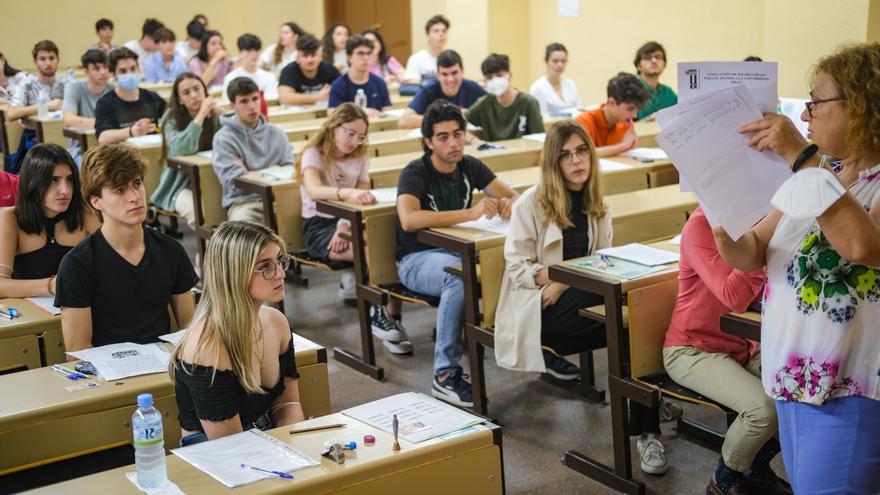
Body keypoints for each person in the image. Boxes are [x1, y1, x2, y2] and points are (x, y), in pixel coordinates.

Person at [713, 42, 880, 494]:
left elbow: (863, 246)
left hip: (850, 387)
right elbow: (754, 251)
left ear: (861, 105)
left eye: (815, 102)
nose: (804, 117)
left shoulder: (852, 178)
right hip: (793, 379)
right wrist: (723, 228)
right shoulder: (821, 172)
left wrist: (802, 157)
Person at [396, 101, 519, 407]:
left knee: (517, 262)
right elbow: (408, 219)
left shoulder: (470, 165)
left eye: (458, 134)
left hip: (458, 252)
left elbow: (514, 195)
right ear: (428, 142)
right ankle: (444, 374)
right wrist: (469, 213)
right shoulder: (415, 172)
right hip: (416, 260)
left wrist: (507, 204)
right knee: (459, 276)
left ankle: (539, 349)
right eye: (443, 137)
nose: (453, 143)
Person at [663, 208, 788, 494]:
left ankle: (755, 470)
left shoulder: (755, 219)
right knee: (764, 410)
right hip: (692, 350)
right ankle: (723, 482)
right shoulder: (700, 227)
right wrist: (761, 249)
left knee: (797, 392)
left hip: (742, 345)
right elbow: (734, 296)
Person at [170, 221, 304, 445]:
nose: (281, 273)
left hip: (268, 441)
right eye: (266, 266)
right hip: (217, 456)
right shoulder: (208, 345)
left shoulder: (276, 322)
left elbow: (287, 404)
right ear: (234, 273)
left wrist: (293, 440)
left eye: (280, 261)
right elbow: (231, 447)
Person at [55, 144, 197, 351]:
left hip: (165, 367)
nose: (135, 197)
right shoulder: (77, 264)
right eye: (119, 190)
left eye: (137, 183)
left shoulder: (171, 250)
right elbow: (78, 350)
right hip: (111, 375)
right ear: (96, 202)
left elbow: (189, 326)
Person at [494, 121, 608, 379]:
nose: (576, 161)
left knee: (627, 308)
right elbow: (517, 269)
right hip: (539, 304)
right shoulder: (530, 203)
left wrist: (563, 282)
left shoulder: (598, 202)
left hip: (570, 292)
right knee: (620, 311)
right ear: (553, 163)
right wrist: (565, 279)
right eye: (565, 155)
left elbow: (602, 259)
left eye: (582, 151)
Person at [297, 102, 412, 354]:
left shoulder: (360, 156)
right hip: (318, 228)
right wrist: (346, 195)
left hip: (348, 221)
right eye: (350, 133)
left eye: (360, 136)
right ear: (334, 126)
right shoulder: (313, 153)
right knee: (374, 253)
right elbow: (315, 192)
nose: (354, 141)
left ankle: (393, 321)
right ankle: (378, 314)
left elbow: (361, 197)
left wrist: (344, 225)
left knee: (386, 246)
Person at [0, 144, 98, 298]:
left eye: (70, 179)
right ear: (33, 182)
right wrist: (52, 285)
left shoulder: (84, 212)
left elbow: (115, 260)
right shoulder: (10, 218)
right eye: (53, 180)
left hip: (82, 307)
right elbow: (1, 285)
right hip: (32, 316)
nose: (65, 190)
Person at [213, 77, 293, 223]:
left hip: (279, 198)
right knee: (242, 228)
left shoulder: (276, 132)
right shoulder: (223, 139)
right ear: (232, 106)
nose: (252, 106)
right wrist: (273, 171)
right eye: (244, 101)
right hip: (245, 202)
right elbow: (235, 182)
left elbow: (290, 169)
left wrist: (250, 173)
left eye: (255, 99)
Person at [151, 72, 220, 230]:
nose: (194, 95)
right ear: (180, 99)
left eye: (197, 89)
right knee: (200, 214)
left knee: (226, 213)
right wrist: (202, 114)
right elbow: (181, 148)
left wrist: (221, 112)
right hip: (181, 185)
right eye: (186, 93)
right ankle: (209, 252)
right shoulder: (171, 118)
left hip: (212, 181)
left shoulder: (216, 115)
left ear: (205, 90)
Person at [94, 48, 166, 145]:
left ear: (139, 69)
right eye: (123, 71)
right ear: (113, 74)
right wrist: (131, 132)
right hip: (123, 156)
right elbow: (103, 137)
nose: (130, 74)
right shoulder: (105, 103)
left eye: (133, 69)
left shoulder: (152, 97)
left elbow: (171, 119)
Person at [465, 53, 543, 142]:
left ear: (509, 75)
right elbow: (459, 121)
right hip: (493, 154)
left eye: (499, 75)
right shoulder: (484, 103)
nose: (495, 81)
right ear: (485, 80)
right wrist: (473, 140)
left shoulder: (528, 102)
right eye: (489, 77)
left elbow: (539, 138)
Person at [399, 50, 484, 130]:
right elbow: (404, 121)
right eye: (444, 74)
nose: (450, 79)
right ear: (438, 75)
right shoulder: (428, 90)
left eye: (454, 73)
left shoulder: (472, 88)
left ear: (462, 71)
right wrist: (444, 119)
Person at [575, 72, 648, 157]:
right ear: (612, 103)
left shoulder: (625, 123)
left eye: (637, 109)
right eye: (630, 109)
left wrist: (632, 145)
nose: (635, 115)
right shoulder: (584, 121)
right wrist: (623, 146)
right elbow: (582, 154)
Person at [62, 49, 114, 164]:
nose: (103, 72)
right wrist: (103, 124)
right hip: (81, 150)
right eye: (97, 68)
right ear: (86, 72)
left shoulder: (114, 89)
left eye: (105, 67)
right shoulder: (74, 88)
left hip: (111, 147)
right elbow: (68, 120)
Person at [328, 36, 390, 117]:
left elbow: (387, 111)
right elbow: (332, 113)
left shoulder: (380, 83)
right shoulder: (338, 85)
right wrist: (362, 111)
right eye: (360, 53)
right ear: (349, 57)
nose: (366, 58)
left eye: (369, 53)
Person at [6, 40, 66, 122]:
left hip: (62, 130)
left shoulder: (65, 83)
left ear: (58, 60)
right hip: (34, 132)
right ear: (35, 62)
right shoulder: (27, 83)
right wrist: (46, 106)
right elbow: (11, 114)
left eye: (51, 58)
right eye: (42, 59)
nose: (48, 63)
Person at [278, 34, 340, 106]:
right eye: (305, 56)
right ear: (297, 58)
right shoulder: (288, 71)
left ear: (320, 56)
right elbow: (284, 98)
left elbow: (343, 91)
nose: (309, 60)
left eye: (313, 55)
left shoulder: (330, 69)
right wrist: (318, 97)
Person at [222, 34, 279, 102]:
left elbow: (275, 99)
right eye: (249, 51)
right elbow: (227, 102)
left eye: (257, 50)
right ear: (240, 52)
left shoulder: (269, 77)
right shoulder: (231, 78)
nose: (254, 54)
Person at [530, 43, 582, 115]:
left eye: (563, 61)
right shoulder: (538, 88)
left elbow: (579, 110)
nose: (560, 65)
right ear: (546, 62)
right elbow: (540, 118)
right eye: (555, 61)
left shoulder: (570, 84)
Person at [633, 41, 677, 121]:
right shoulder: (629, 89)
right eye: (647, 57)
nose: (654, 60)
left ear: (664, 64)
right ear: (638, 65)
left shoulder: (668, 93)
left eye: (658, 57)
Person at [405, 15, 449, 83]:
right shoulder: (416, 59)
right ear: (428, 35)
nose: (441, 34)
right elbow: (413, 86)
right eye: (436, 31)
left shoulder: (450, 59)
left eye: (444, 31)